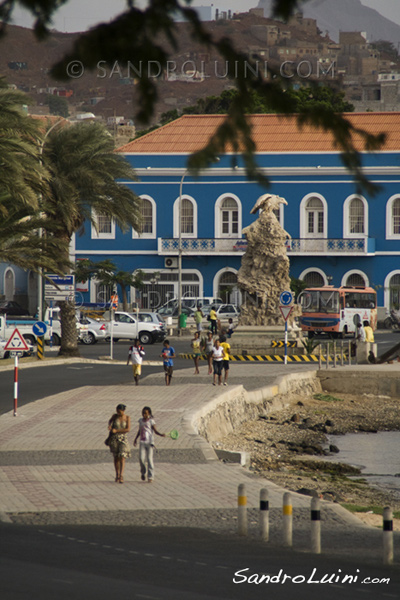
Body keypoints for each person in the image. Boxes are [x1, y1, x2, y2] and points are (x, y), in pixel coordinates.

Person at [133, 406, 165, 482]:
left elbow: (155, 430)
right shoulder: (140, 420)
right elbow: (139, 430)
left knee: (150, 460)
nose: (144, 415)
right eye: (143, 413)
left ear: (149, 414)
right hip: (142, 442)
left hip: (149, 442)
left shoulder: (151, 421)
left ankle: (150, 476)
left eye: (146, 413)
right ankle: (143, 472)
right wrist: (135, 439)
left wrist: (160, 434)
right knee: (141, 458)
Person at [107, 403, 131, 483]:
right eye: (117, 411)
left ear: (123, 411)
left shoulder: (127, 418)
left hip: (123, 439)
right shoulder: (114, 416)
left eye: (120, 411)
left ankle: (121, 475)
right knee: (116, 457)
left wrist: (117, 430)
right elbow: (110, 422)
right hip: (115, 439)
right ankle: (117, 474)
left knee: (122, 456)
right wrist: (110, 426)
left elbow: (128, 429)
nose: (118, 413)